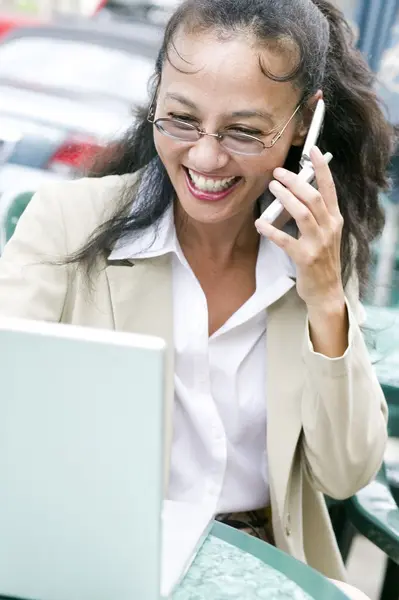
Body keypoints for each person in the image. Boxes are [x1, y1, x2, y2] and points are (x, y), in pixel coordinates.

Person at [0, 0, 393, 597]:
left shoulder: (309, 254)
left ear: (306, 124)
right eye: (181, 119)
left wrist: (326, 303)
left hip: (260, 568)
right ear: (156, 96)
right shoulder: (68, 224)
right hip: (98, 559)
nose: (206, 158)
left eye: (245, 131)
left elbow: (343, 475)